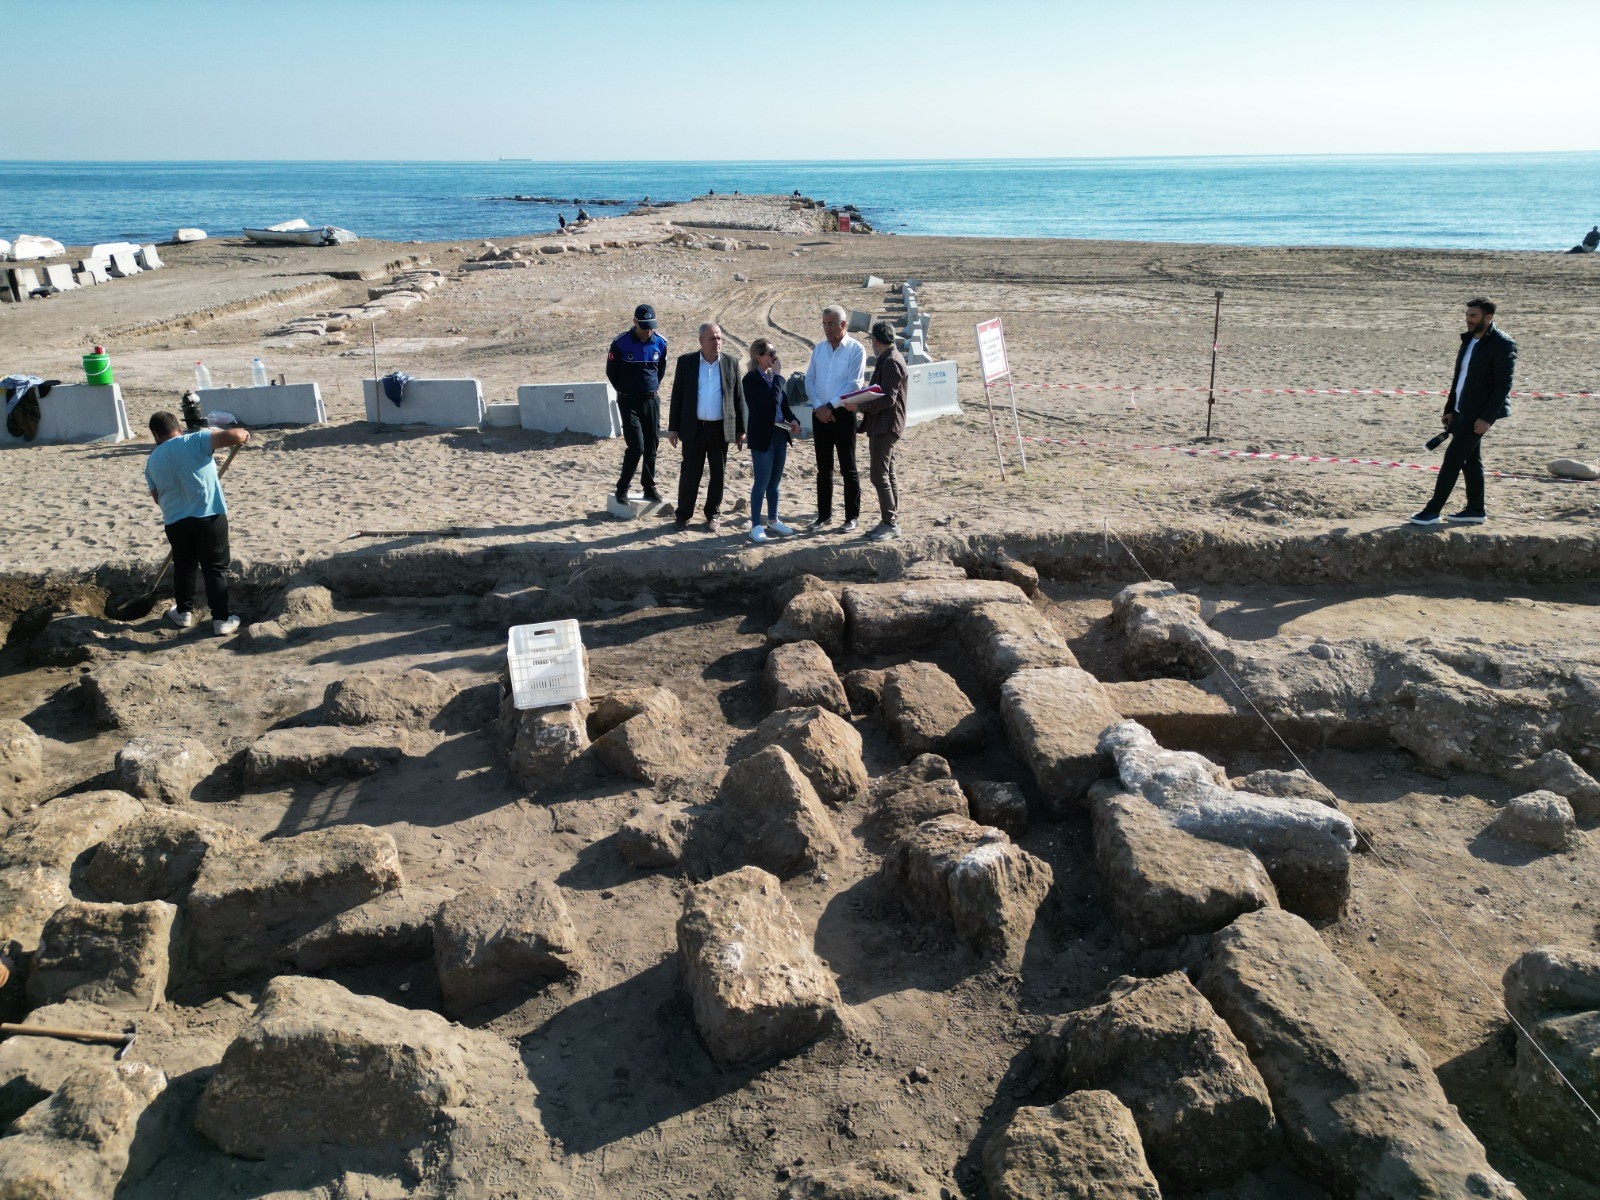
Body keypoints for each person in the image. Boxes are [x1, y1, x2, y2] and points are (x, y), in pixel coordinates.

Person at [1409, 298, 1516, 527]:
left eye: (1473, 316)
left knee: (1452, 460)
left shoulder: (1502, 343)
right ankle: (1476, 509)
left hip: (1479, 414)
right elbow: (1460, 379)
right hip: (1461, 411)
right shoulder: (1468, 341)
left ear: (1488, 317)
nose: (1468, 319)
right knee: (1470, 461)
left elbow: (1503, 387)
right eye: (1467, 315)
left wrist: (1486, 419)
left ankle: (1432, 511)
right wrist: (1450, 409)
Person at [144, 411, 250, 634]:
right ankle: (221, 619)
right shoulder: (195, 439)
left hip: (175, 521)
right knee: (214, 568)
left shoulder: (152, 461)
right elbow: (235, 435)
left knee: (184, 566)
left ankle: (183, 613)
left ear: (155, 434)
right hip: (208, 515)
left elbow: (157, 498)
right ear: (179, 428)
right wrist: (243, 435)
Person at [667, 323, 745, 531]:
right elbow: (678, 396)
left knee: (718, 474)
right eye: (712, 339)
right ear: (701, 341)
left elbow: (738, 397)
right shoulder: (686, 363)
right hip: (694, 428)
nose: (717, 343)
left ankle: (713, 514)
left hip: (721, 429)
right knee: (690, 473)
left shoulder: (731, 363)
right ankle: (683, 515)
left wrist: (741, 428)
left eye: (719, 338)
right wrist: (673, 427)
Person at [839, 321, 908, 540]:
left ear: (876, 340)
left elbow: (888, 398)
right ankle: (889, 519)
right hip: (884, 424)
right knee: (888, 473)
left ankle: (891, 523)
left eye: (872, 342)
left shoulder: (891, 362)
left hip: (885, 425)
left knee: (879, 475)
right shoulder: (888, 359)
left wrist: (859, 406)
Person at [803, 304, 866, 532]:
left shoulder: (856, 349)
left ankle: (851, 517)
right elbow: (809, 380)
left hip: (843, 413)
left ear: (843, 325)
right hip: (820, 414)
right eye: (824, 324)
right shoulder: (819, 349)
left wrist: (830, 406)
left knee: (848, 467)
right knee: (823, 468)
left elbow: (854, 384)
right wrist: (820, 406)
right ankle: (823, 516)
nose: (827, 328)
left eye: (831, 324)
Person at [605, 304, 669, 504]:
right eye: (644, 327)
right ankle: (622, 488)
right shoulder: (621, 343)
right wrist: (625, 390)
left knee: (652, 445)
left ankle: (649, 487)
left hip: (651, 400)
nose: (648, 331)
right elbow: (611, 372)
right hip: (628, 402)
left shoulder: (660, 342)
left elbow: (661, 370)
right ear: (634, 322)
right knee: (637, 447)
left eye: (651, 326)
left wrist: (650, 388)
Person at [742, 338, 801, 543]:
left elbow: (782, 405)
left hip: (779, 434)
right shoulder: (750, 380)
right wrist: (778, 376)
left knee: (774, 482)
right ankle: (756, 524)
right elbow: (771, 400)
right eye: (770, 353)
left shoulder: (771, 378)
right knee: (761, 481)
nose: (774, 357)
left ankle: (773, 520)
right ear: (758, 357)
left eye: (775, 352)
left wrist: (793, 419)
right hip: (762, 435)